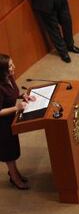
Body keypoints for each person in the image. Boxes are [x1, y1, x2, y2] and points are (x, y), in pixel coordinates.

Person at [0, 54, 36, 190]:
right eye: (10, 66)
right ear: (1, 70)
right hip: (2, 125)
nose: (13, 67)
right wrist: (17, 107)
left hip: (11, 121)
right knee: (9, 153)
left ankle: (15, 173)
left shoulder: (9, 77)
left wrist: (23, 96)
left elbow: (14, 93)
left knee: (13, 149)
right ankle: (14, 178)